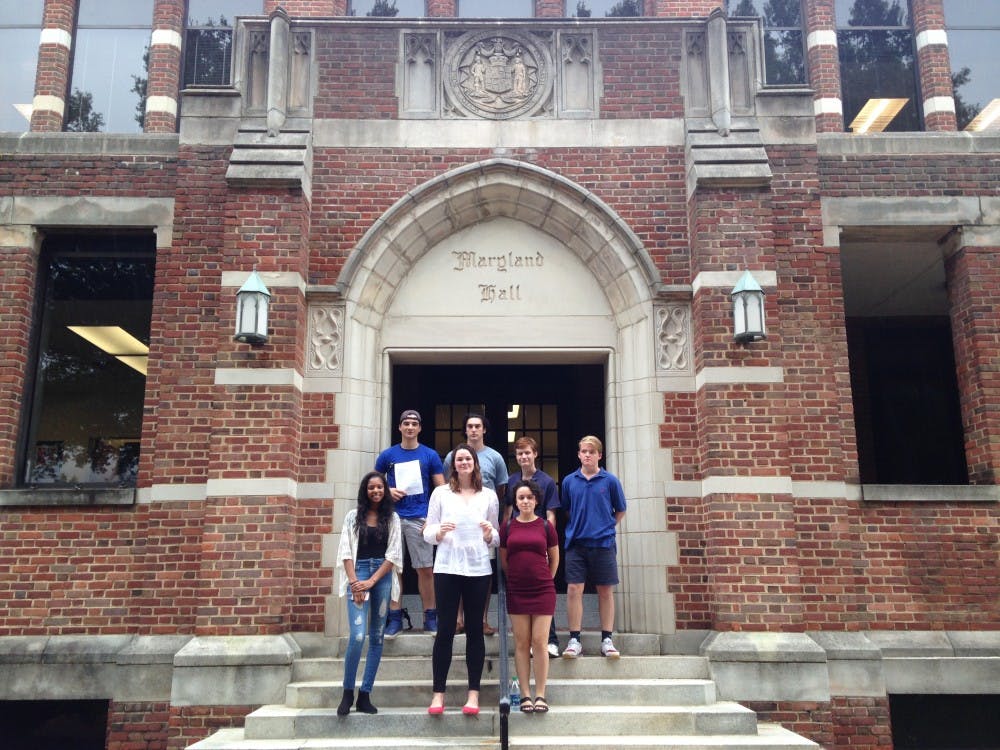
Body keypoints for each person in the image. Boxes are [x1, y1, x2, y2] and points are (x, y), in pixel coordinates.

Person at [423, 443, 500, 716]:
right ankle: (438, 694)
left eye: (468, 458)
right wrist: (439, 533)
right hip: (447, 567)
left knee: (475, 631)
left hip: (478, 568)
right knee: (445, 630)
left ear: (475, 463)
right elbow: (427, 531)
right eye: (459, 459)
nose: (464, 462)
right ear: (453, 464)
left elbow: (496, 535)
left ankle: (473, 695)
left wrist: (491, 534)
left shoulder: (488, 495)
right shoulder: (441, 493)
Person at [335, 471, 402, 715]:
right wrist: (356, 584)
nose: (376, 491)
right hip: (358, 573)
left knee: (376, 637)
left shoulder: (392, 518)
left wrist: (372, 582)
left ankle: (365, 694)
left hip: (381, 577)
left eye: (380, 487)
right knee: (358, 635)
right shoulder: (353, 517)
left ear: (385, 491)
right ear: (365, 490)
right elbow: (345, 551)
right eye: (371, 487)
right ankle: (347, 692)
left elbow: (393, 555)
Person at [375, 409, 445, 636]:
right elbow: (372, 483)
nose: (410, 427)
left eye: (414, 423)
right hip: (393, 517)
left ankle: (430, 617)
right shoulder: (387, 455)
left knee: (425, 568)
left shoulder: (430, 455)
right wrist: (388, 490)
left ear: (420, 428)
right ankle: (394, 618)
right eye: (406, 423)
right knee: (394, 568)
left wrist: (433, 520)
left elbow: (441, 490)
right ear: (400, 427)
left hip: (420, 517)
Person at [560, 435, 627, 659]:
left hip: (603, 544)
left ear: (599, 454)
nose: (587, 455)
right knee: (573, 590)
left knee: (605, 591)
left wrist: (604, 526)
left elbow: (620, 510)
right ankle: (574, 639)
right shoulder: (569, 481)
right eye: (583, 451)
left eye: (591, 451)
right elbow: (568, 509)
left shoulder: (610, 481)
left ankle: (607, 639)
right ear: (578, 454)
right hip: (576, 544)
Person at [443, 413, 508, 635]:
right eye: (469, 426)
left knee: (484, 573)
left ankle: (481, 619)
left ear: (484, 430)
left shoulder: (495, 457)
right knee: (458, 571)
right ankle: (459, 619)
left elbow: (500, 491)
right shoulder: (452, 456)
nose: (473, 430)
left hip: (482, 528)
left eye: (477, 426)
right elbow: (447, 487)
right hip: (456, 529)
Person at [500, 479, 559, 714]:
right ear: (515, 502)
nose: (525, 501)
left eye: (529, 497)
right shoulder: (507, 527)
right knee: (522, 643)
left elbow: (554, 558)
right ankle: (525, 694)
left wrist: (546, 579)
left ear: (536, 500)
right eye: (520, 498)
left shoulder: (546, 527)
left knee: (540, 642)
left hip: (543, 590)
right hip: (517, 590)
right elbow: (504, 559)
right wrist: (514, 578)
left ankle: (541, 694)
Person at [505, 436, 562, 657]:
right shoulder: (512, 481)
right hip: (519, 542)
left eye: (527, 453)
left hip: (539, 542)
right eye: (520, 454)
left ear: (535, 454)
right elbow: (508, 512)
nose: (524, 457)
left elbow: (551, 514)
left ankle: (551, 640)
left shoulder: (546, 481)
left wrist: (549, 544)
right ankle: (528, 643)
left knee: (544, 590)